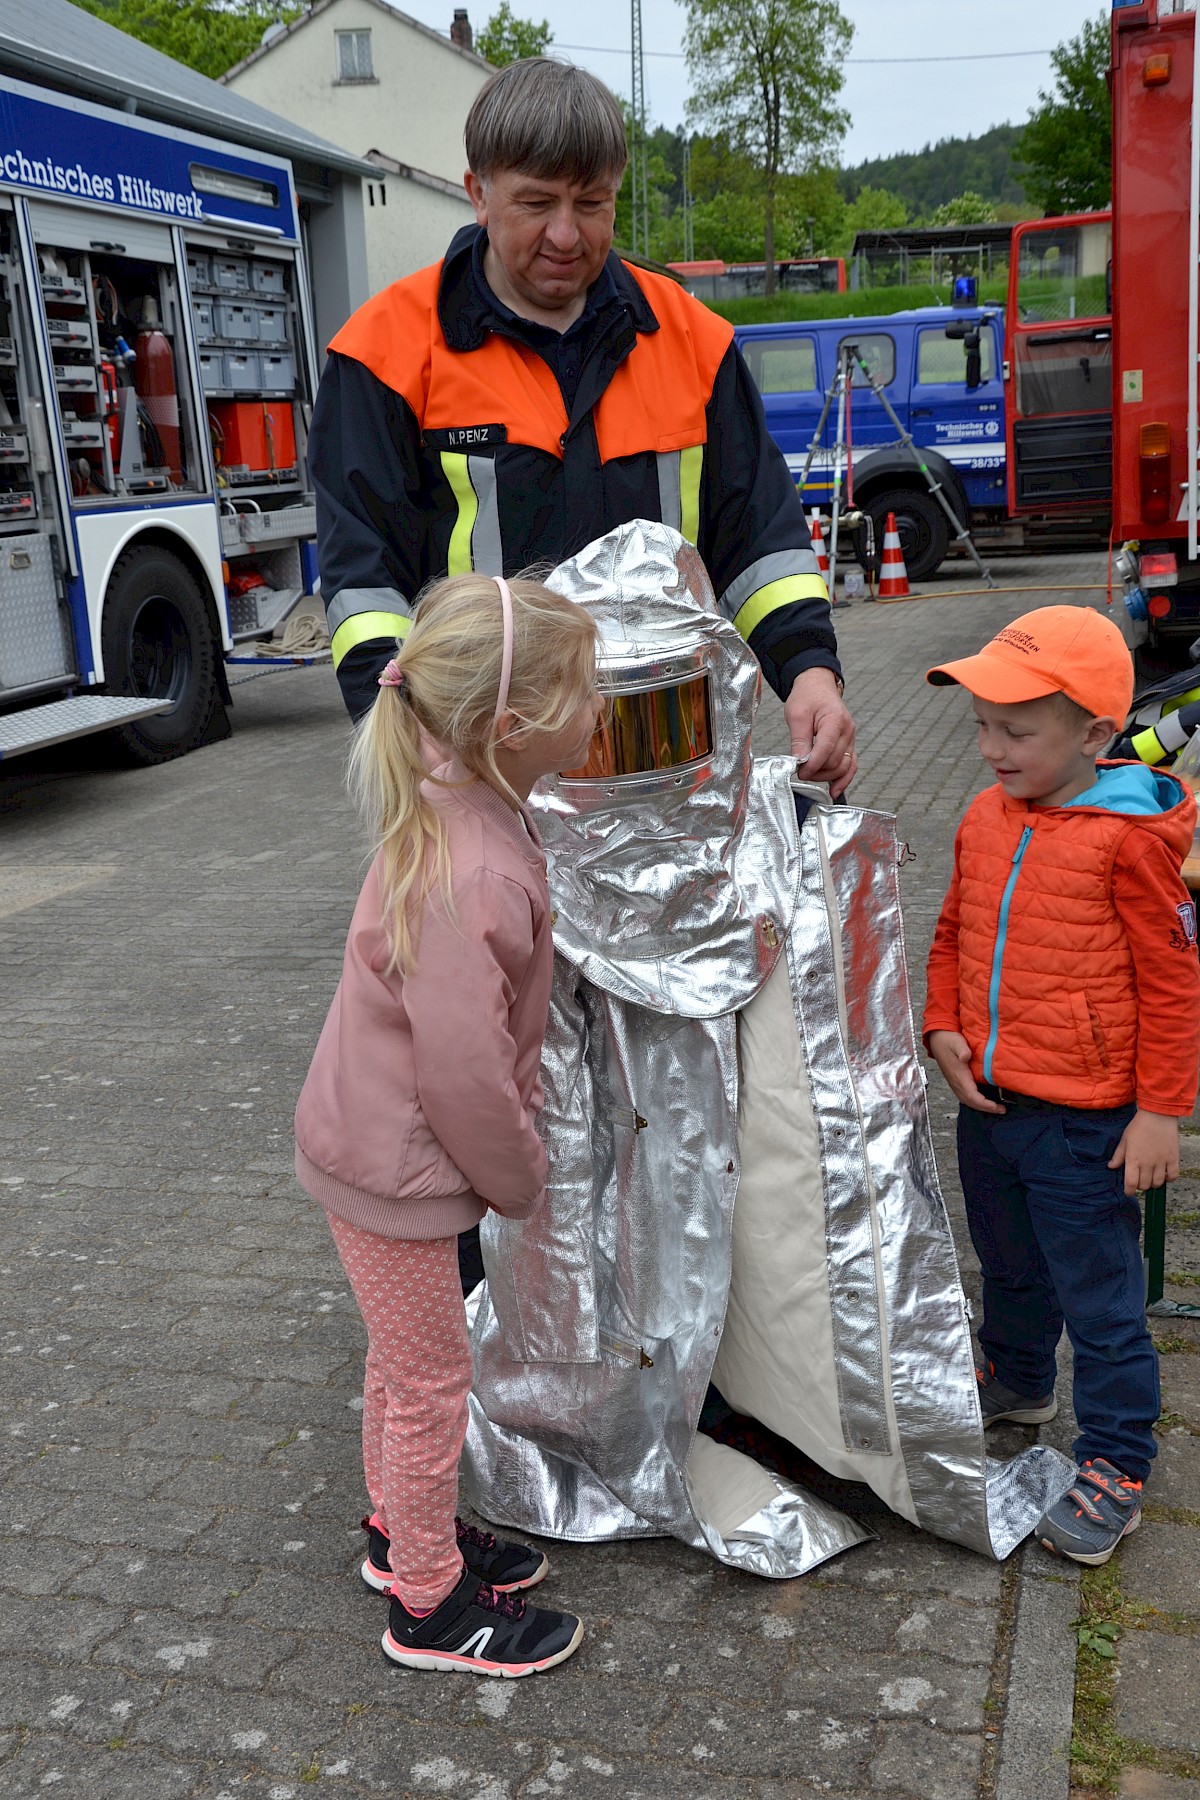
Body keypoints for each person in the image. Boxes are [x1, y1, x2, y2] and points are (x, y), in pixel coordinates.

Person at [310, 54, 857, 1292]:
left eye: (595, 203)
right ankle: (477, 1333)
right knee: (481, 1054)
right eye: (535, 202)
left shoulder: (692, 339)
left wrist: (809, 670)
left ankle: (672, 1326)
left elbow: (759, 533)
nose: (568, 235)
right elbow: (360, 584)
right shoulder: (387, 353)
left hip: (662, 783)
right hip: (487, 780)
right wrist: (421, 772)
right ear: (475, 191)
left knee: (665, 1068)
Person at [294, 571, 601, 1674]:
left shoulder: (465, 804)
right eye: (586, 689)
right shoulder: (474, 863)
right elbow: (464, 1073)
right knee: (431, 1379)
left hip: (375, 1153)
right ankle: (428, 1603)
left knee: (403, 1360)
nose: (601, 704)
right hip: (403, 1169)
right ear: (513, 729)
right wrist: (521, 1178)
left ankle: (399, 1534)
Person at [922, 605, 1200, 1565]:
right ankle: (1019, 1378)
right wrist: (943, 1028)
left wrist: (1162, 1111)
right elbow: (954, 930)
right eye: (982, 728)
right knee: (1005, 1260)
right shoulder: (983, 816)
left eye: (1017, 731)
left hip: (1086, 1123)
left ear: (1092, 734)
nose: (991, 750)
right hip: (992, 1104)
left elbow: (1173, 985)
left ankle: (1118, 1455)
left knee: (1103, 1300)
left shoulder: (1131, 842)